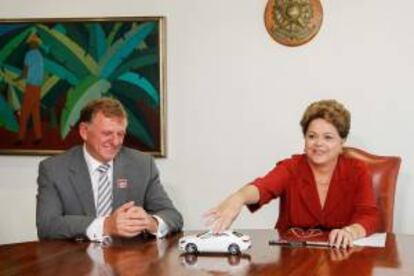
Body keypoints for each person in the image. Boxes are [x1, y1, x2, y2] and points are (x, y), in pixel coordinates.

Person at [205, 99, 379, 249]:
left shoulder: (357, 170)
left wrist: (351, 231)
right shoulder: (292, 167)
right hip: (292, 256)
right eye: (312, 136)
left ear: (342, 142)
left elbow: (369, 216)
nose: (318, 143)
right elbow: (263, 187)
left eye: (328, 137)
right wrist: (239, 197)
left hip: (342, 256)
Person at [36, 97, 183, 241]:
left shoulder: (142, 165)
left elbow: (173, 216)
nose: (116, 142)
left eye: (120, 134)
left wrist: (151, 223)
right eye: (107, 133)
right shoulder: (54, 169)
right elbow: (47, 226)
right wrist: (105, 225)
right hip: (77, 259)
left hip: (129, 260)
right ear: (84, 131)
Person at [15, 33, 44, 144]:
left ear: (33, 43)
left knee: (25, 112)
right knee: (35, 113)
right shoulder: (40, 56)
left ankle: (20, 138)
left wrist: (16, 79)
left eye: (31, 43)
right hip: (38, 88)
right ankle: (38, 137)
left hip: (31, 87)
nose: (30, 45)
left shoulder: (29, 54)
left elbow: (25, 73)